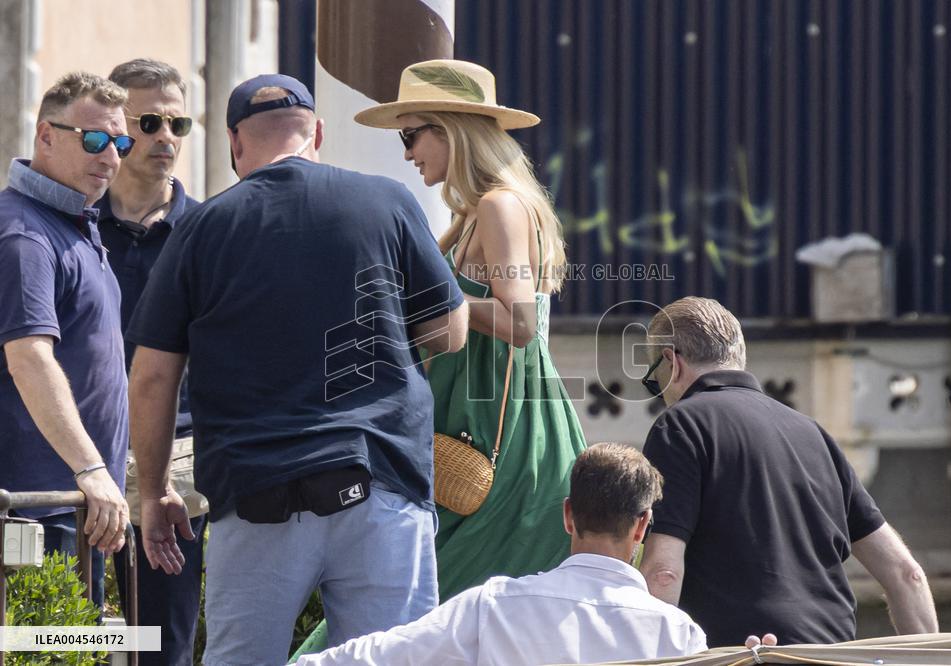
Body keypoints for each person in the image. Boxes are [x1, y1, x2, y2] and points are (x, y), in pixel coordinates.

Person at [125, 73, 468, 665]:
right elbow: (450, 330)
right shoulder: (386, 201)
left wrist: (153, 494)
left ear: (236, 143)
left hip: (257, 497)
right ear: (318, 133)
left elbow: (152, 376)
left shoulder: (202, 229)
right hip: (378, 483)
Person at [358, 58, 588, 597]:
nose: (408, 153)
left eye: (411, 135)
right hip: (487, 434)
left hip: (500, 441)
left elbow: (522, 322)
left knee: (419, 610)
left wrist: (438, 299)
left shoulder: (498, 207)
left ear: (452, 132)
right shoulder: (475, 213)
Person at [638, 296, 939, 646]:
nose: (660, 393)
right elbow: (907, 574)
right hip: (832, 653)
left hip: (745, 653)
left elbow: (663, 573)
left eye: (653, 381)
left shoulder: (679, 427)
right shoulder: (813, 434)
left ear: (672, 362)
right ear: (738, 356)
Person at [295, 443, 707, 665]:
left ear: (567, 516)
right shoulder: (679, 635)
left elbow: (379, 657)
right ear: (641, 525)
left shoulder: (493, 606)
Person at [0, 72, 134, 609]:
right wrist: (91, 467)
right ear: (46, 136)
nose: (110, 156)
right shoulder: (25, 234)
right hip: (38, 509)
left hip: (79, 508)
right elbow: (29, 358)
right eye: (95, 139)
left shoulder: (73, 223)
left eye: (120, 143)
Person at [98, 58, 206, 666]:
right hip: (81, 454)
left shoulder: (208, 230)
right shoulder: (71, 226)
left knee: (164, 641)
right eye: (149, 121)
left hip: (178, 457)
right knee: (60, 631)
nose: (166, 136)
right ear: (116, 126)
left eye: (177, 123)